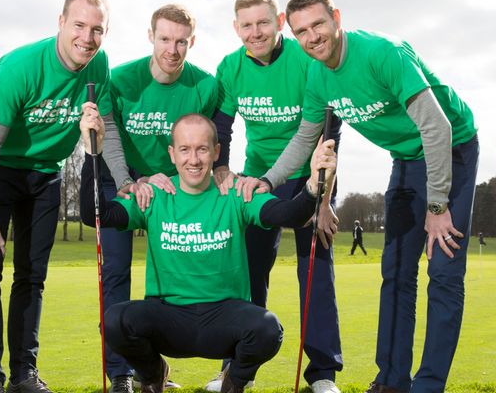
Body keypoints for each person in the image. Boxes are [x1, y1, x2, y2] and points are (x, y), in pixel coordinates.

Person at [270, 0, 479, 393]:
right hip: (406, 159)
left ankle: (428, 385)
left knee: (443, 271)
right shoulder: (316, 75)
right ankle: (391, 380)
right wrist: (268, 181)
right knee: (396, 270)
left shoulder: (383, 53)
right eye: (301, 32)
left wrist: (437, 205)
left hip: (451, 150)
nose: (312, 37)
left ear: (336, 17)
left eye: (318, 24)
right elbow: (305, 138)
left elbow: (437, 128)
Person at [79, 109, 337, 393]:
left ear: (216, 152)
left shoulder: (236, 191)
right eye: (185, 149)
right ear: (172, 153)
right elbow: (96, 215)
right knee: (115, 321)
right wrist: (92, 153)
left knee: (267, 329)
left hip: (224, 320)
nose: (193, 159)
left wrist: (313, 185)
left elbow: (288, 214)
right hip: (167, 317)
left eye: (202, 149)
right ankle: (153, 374)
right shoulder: (153, 194)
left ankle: (234, 381)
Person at [0, 0, 113, 393]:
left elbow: (98, 142)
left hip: (46, 175)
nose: (87, 37)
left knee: (32, 278)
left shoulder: (99, 65)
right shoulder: (20, 67)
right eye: (79, 25)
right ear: (61, 22)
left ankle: (24, 376)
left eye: (97, 29)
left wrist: (93, 139)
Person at [210, 0, 343, 393]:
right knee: (246, 276)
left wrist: (322, 199)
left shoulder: (307, 59)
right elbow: (221, 128)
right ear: (236, 28)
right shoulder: (230, 68)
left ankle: (322, 375)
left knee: (314, 270)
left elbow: (330, 132)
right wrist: (221, 170)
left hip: (310, 181)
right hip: (258, 182)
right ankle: (236, 371)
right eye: (246, 25)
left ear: (280, 21)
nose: (256, 32)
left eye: (263, 22)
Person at [96, 3, 219, 393]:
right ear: (151, 36)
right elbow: (109, 135)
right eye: (165, 38)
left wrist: (170, 179)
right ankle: (119, 374)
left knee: (170, 277)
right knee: (115, 271)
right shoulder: (119, 80)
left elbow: (202, 145)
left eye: (182, 41)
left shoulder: (205, 85)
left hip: (171, 189)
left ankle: (153, 369)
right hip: (121, 180)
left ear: (192, 42)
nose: (172, 49)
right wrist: (131, 179)